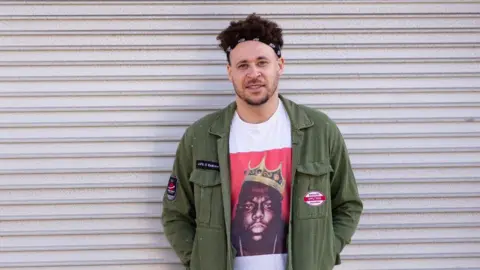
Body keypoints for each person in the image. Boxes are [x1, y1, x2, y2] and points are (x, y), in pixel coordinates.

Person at [162, 13, 363, 270]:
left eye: (262, 62)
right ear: (229, 72)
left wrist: (322, 253)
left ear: (280, 65)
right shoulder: (200, 137)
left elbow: (348, 205)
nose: (253, 73)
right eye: (243, 65)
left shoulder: (319, 131)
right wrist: (199, 260)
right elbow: (175, 214)